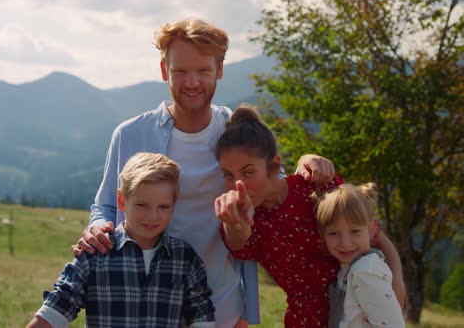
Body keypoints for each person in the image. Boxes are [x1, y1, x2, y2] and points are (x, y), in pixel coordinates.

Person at [71, 18, 336, 327]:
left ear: (220, 70)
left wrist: (307, 161)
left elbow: (272, 188)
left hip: (220, 305)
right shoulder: (129, 134)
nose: (191, 82)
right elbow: (105, 205)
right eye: (180, 71)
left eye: (203, 71)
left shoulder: (236, 133)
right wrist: (98, 227)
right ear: (163, 71)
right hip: (146, 305)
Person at [214, 105, 405, 328]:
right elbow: (237, 240)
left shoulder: (317, 186)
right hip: (305, 321)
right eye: (228, 174)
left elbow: (376, 237)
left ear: (274, 165)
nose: (239, 185)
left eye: (248, 172)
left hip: (359, 311)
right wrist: (235, 223)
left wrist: (397, 284)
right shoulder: (247, 220)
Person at [26, 153, 216, 328]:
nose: (153, 216)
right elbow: (55, 309)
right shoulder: (95, 253)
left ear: (174, 205)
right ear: (122, 200)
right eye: (142, 205)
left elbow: (202, 318)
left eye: (163, 207)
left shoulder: (185, 259)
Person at [315, 182, 406, 328]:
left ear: (370, 230)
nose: (345, 243)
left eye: (355, 231)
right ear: (322, 236)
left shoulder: (365, 270)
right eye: (333, 233)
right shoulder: (351, 267)